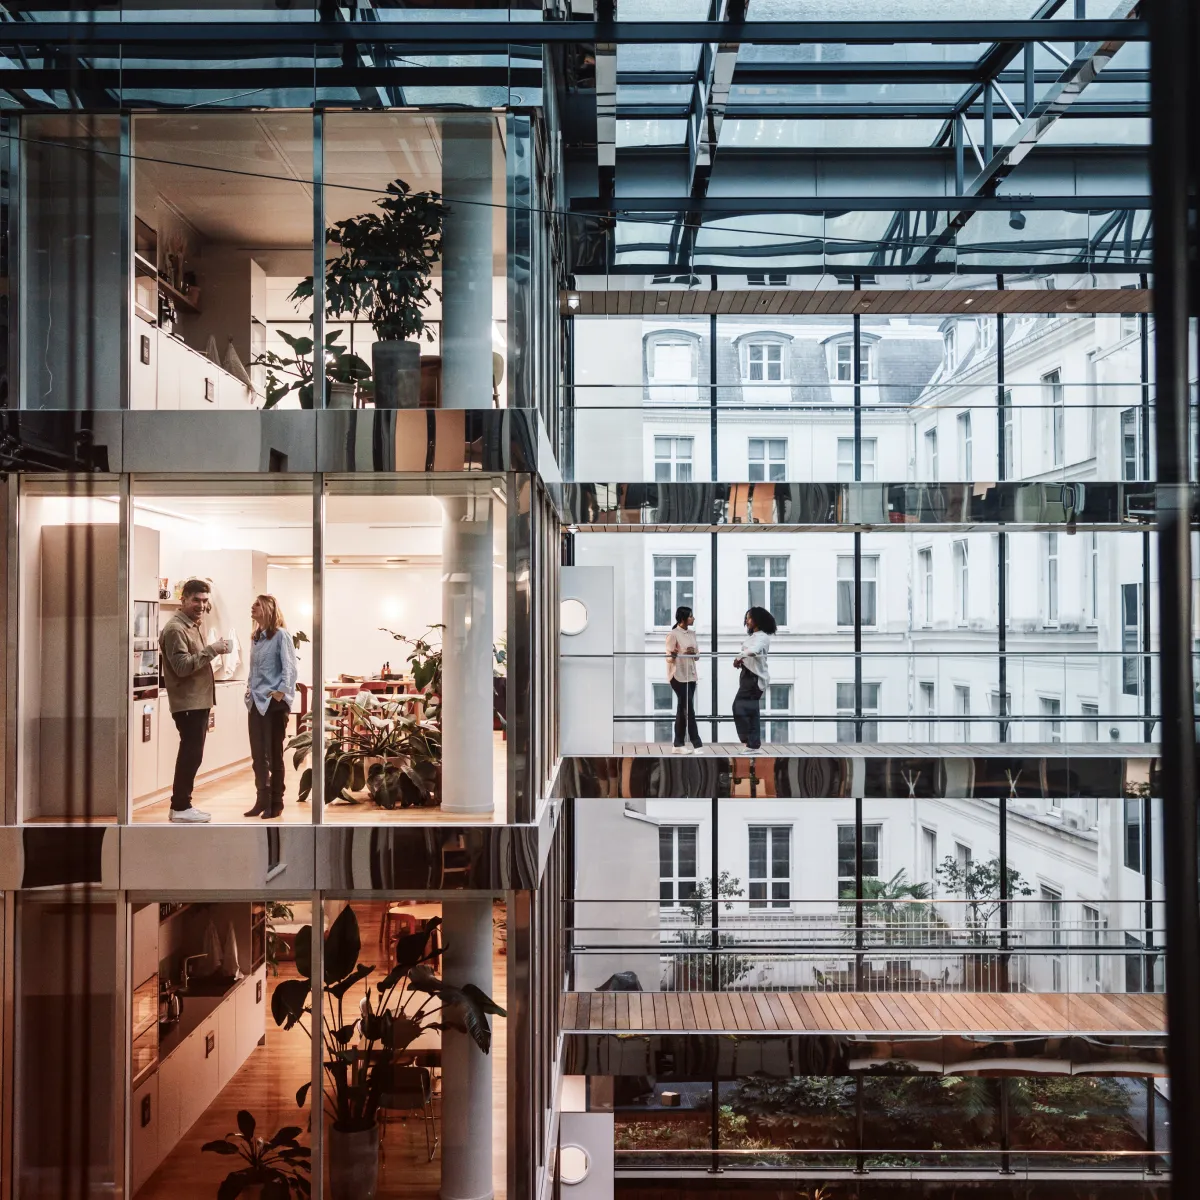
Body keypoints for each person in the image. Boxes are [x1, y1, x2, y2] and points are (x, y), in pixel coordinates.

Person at [159, 578, 232, 823]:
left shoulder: (192, 626)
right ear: (184, 599)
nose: (201, 605)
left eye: (204, 601)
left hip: (198, 702)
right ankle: (180, 806)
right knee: (190, 754)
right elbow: (181, 667)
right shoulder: (175, 629)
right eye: (196, 600)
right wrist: (213, 650)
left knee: (194, 754)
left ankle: (182, 804)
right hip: (188, 703)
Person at [244, 594, 298, 819]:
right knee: (258, 755)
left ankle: (276, 802)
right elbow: (254, 670)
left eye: (256, 604)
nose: (252, 607)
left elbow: (290, 668)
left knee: (274, 755)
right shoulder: (256, 637)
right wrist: (249, 690)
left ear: (267, 608)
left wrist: (280, 693)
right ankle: (261, 798)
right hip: (255, 702)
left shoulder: (281, 636)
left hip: (274, 705)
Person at [732, 605, 777, 751]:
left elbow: (754, 651)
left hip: (754, 677)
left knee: (739, 706)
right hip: (746, 674)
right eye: (747, 617)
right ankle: (753, 744)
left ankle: (749, 740)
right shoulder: (753, 637)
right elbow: (749, 654)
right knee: (751, 710)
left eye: (749, 617)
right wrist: (740, 661)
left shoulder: (762, 637)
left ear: (757, 619)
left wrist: (741, 656)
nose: (747, 620)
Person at [665, 605, 702, 753]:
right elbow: (668, 658)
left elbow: (697, 656)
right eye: (691, 616)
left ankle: (678, 744)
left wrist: (692, 652)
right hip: (678, 676)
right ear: (683, 618)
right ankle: (697, 743)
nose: (693, 618)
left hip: (691, 675)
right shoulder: (673, 634)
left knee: (683, 709)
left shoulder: (692, 634)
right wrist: (674, 653)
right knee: (689, 709)